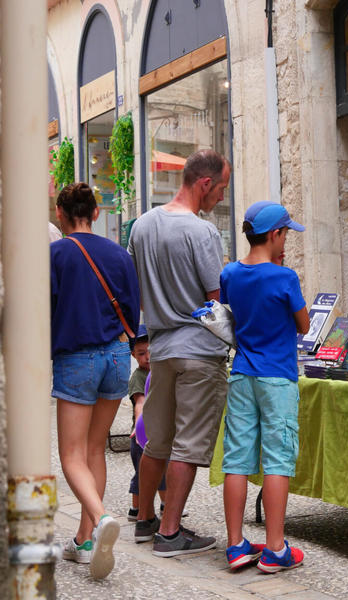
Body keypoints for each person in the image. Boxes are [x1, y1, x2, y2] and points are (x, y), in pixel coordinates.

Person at [128, 149, 231, 557]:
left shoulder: (143, 225)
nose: (221, 197)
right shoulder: (201, 231)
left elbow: (137, 285)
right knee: (188, 444)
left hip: (162, 348)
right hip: (198, 351)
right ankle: (170, 534)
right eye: (221, 188)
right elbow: (214, 300)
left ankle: (145, 519)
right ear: (204, 183)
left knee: (157, 441)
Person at [51, 182, 140, 579]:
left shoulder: (56, 254)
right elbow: (134, 311)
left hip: (77, 357)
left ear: (60, 214)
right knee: (94, 450)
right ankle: (85, 540)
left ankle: (102, 518)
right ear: (97, 212)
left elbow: (44, 308)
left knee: (70, 455)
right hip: (118, 357)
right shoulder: (119, 254)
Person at [220, 201, 309, 572]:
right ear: (274, 235)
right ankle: (275, 549)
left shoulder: (230, 274)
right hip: (278, 378)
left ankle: (236, 544)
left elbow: (229, 313)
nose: (286, 239)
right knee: (277, 459)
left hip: (242, 374)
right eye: (286, 232)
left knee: (237, 459)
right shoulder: (284, 277)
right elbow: (303, 325)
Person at [126, 326, 167, 523]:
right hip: (141, 436)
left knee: (162, 471)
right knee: (141, 476)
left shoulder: (160, 372)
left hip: (158, 432)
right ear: (133, 355)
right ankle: (137, 508)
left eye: (150, 351)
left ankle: (166, 505)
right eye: (142, 353)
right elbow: (140, 404)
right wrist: (138, 427)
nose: (148, 357)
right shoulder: (138, 378)